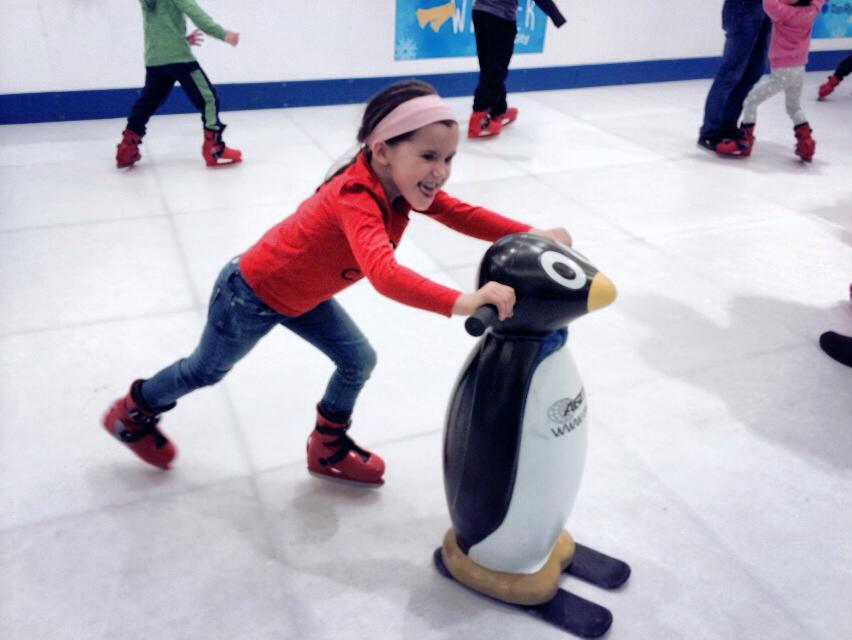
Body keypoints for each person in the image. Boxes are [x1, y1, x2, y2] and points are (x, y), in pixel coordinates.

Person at [102, 80, 574, 486]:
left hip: (303, 296)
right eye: (428, 156)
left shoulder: (401, 188)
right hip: (249, 293)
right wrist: (465, 301)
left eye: (448, 158)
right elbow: (385, 276)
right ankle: (134, 410)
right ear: (383, 151)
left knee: (357, 359)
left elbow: (460, 212)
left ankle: (326, 448)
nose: (440, 172)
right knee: (204, 371)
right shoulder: (356, 194)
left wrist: (530, 233)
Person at [115, 0, 242, 169]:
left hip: (155, 59)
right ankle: (214, 148)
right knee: (209, 98)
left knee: (146, 104)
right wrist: (223, 34)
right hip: (179, 59)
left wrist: (180, 39)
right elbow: (197, 15)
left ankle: (126, 150)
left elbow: (158, 25)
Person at [727, 0, 826, 162]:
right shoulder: (811, 11)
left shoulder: (783, 13)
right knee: (794, 107)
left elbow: (767, 2)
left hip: (782, 72)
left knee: (751, 101)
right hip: (799, 68)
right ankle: (806, 143)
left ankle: (745, 141)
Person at [468, 0, 565, 139]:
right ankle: (479, 119)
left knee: (489, 66)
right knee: (495, 69)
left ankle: (498, 110)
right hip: (500, 18)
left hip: (479, 12)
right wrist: (557, 17)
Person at [697, 0, 771, 156]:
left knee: (754, 70)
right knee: (731, 72)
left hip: (766, 9)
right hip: (743, 7)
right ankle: (710, 132)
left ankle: (727, 127)